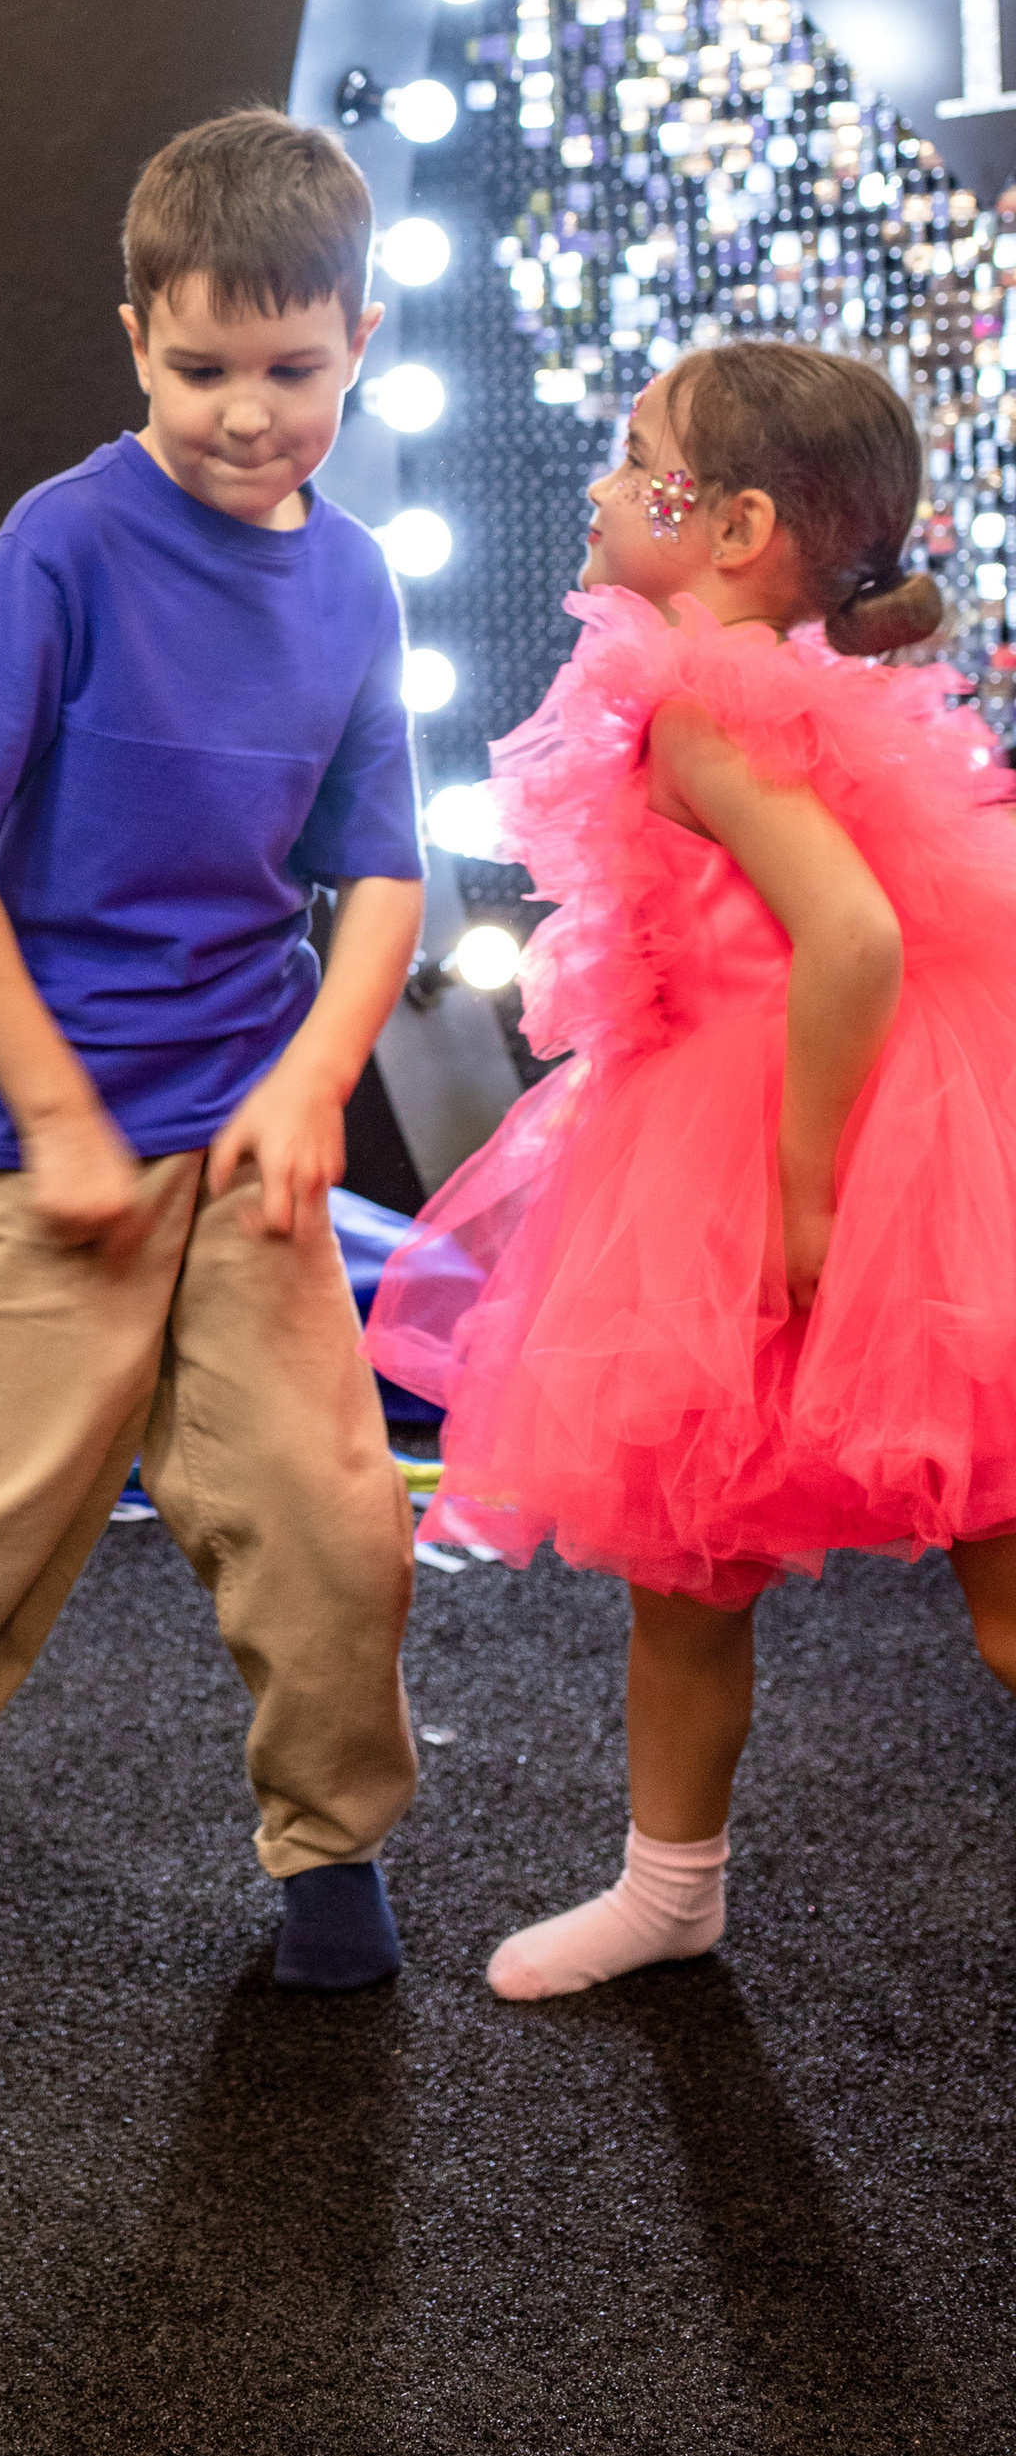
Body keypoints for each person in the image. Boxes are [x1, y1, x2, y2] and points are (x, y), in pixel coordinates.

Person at [0, 107, 427, 1986]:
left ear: (359, 341)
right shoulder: (57, 548)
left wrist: (310, 1084)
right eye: (201, 369)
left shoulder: (357, 581)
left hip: (248, 1142)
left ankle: (335, 1857)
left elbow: (381, 877)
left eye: (292, 370)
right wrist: (54, 1112)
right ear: (135, 339)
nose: (246, 413)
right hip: (54, 1150)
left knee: (330, 1521)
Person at [365, 340, 1016, 2000]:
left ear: (734, 528)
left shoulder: (703, 708)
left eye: (634, 454)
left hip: (819, 1145)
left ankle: (673, 1885)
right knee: (696, 1545)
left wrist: (808, 1188)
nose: (601, 484)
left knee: (916, 1558)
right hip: (808, 1122)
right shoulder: (775, 690)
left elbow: (855, 938)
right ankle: (670, 1892)